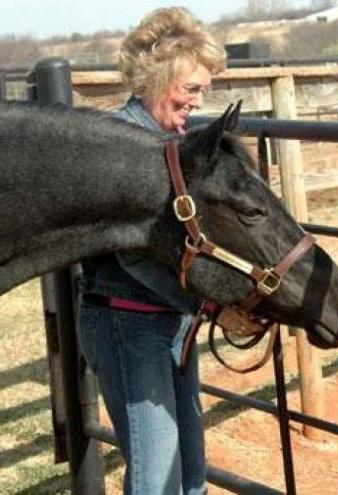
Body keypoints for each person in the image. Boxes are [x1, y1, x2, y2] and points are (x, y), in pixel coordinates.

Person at [77, 7, 226, 494]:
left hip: (172, 321)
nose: (198, 101)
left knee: (190, 476)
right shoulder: (120, 146)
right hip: (127, 320)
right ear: (158, 78)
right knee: (156, 478)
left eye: (203, 90)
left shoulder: (171, 140)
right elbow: (131, 252)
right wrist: (207, 300)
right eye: (190, 88)